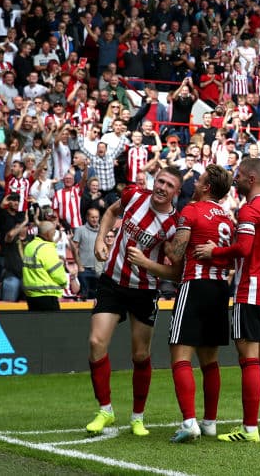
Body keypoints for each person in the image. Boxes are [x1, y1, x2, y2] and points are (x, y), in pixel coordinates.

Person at [84, 168, 182, 438]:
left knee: (140, 355)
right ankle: (105, 409)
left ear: (176, 192)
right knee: (96, 342)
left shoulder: (174, 225)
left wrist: (147, 263)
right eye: (160, 181)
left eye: (169, 185)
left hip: (144, 290)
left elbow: (176, 272)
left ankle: (138, 417)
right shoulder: (133, 195)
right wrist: (101, 239)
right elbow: (109, 213)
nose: (162, 187)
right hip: (112, 282)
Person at [193, 157, 260, 443]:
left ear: (252, 179)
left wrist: (214, 252)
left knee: (250, 360)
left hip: (251, 290)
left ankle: (249, 429)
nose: (236, 179)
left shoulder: (249, 210)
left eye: (240, 175)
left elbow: (242, 249)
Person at [164, 164, 235, 443]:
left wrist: (163, 241)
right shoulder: (228, 219)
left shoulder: (191, 211)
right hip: (219, 289)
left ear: (207, 187)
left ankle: (189, 422)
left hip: (194, 284)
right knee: (210, 360)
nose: (194, 182)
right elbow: (230, 258)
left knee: (180, 355)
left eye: (199, 179)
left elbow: (176, 255)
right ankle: (210, 423)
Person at [21, 220, 67, 311]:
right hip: (47, 296)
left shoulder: (29, 246)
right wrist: (64, 283)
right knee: (52, 324)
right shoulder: (46, 248)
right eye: (53, 233)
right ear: (48, 233)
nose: (54, 236)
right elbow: (56, 272)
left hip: (31, 296)